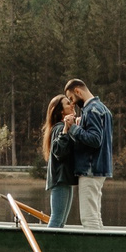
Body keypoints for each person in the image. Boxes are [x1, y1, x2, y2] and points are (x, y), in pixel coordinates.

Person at [60, 79, 115, 228]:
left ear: (78, 91)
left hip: (90, 169)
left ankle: (95, 249)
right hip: (100, 168)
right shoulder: (103, 109)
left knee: (88, 218)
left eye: (71, 98)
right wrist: (80, 125)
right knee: (95, 216)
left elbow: (95, 139)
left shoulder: (91, 110)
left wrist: (72, 128)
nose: (72, 103)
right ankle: (100, 248)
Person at [41, 93, 77, 227]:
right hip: (59, 179)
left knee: (61, 221)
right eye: (68, 103)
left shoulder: (64, 127)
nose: (72, 104)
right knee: (57, 219)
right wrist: (66, 129)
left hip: (65, 179)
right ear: (61, 111)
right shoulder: (58, 128)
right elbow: (59, 152)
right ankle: (47, 246)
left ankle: (54, 247)